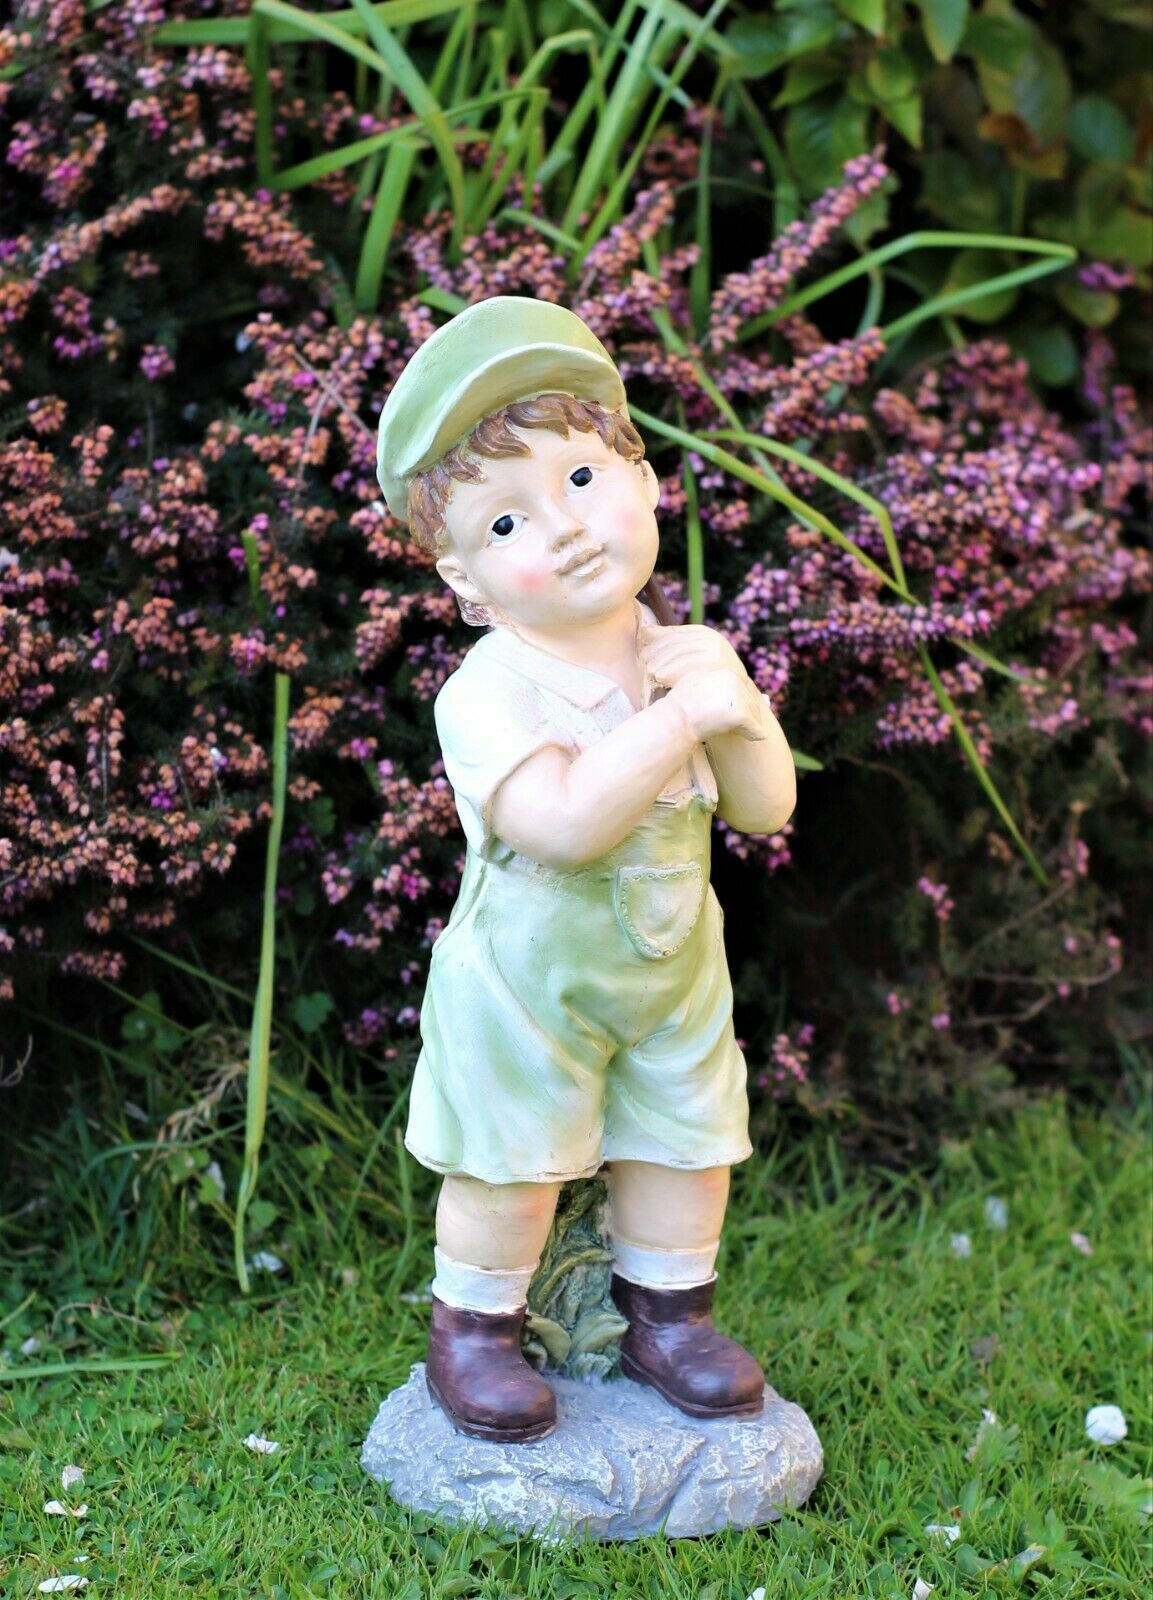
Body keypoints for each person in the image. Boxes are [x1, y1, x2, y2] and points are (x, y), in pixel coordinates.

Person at [376, 297, 796, 1443]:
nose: (557, 529)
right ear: (463, 585)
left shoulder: (684, 653)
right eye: (502, 526)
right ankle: (475, 1330)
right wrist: (678, 721)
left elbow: (764, 810)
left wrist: (736, 705)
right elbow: (559, 823)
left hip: (671, 962)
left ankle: (668, 1314)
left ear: (645, 480)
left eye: (575, 480)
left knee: (683, 1134)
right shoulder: (491, 690)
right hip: (529, 979)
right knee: (512, 1156)